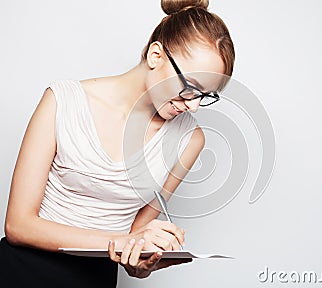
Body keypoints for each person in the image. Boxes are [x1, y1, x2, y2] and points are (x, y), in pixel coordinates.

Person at [0, 0, 235, 286]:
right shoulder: (62, 101)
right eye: (189, 89)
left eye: (205, 96)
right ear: (156, 55)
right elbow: (17, 225)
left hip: (96, 280)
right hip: (20, 272)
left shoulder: (189, 140)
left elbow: (136, 244)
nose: (194, 106)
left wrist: (143, 261)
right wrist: (123, 241)